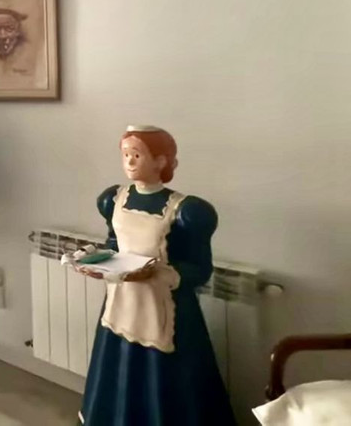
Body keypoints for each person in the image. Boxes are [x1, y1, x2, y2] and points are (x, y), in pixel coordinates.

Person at [76, 126, 235, 426]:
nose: (129, 161)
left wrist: (160, 273)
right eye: (125, 154)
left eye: (137, 155)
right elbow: (115, 243)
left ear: (161, 161)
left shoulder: (187, 211)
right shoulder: (113, 199)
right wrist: (98, 262)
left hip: (166, 308)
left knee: (165, 379)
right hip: (121, 302)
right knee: (118, 368)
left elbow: (200, 269)